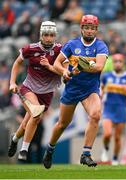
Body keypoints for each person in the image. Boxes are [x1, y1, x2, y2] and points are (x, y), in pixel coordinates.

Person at [42, 14, 109, 169]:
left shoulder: (100, 46)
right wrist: (64, 72)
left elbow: (99, 66)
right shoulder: (72, 44)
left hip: (90, 90)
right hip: (72, 89)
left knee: (96, 114)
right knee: (62, 124)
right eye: (87, 28)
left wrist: (83, 65)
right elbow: (58, 64)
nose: (90, 31)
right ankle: (50, 149)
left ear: (96, 30)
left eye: (93, 28)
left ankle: (86, 154)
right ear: (82, 29)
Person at [8, 21, 62, 161]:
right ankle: (24, 150)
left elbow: (63, 71)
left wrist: (49, 66)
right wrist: (12, 82)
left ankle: (15, 139)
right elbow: (17, 63)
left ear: (55, 36)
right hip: (29, 89)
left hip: (47, 93)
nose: (48, 38)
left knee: (27, 123)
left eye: (51, 35)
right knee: (36, 114)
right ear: (41, 35)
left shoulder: (60, 50)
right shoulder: (30, 49)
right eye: (46, 35)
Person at [100, 53, 126, 165]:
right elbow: (101, 90)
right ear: (113, 63)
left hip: (121, 109)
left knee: (117, 137)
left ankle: (115, 158)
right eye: (115, 61)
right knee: (107, 134)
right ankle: (106, 149)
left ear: (123, 63)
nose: (117, 63)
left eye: (120, 61)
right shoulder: (107, 76)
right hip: (108, 108)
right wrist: (101, 95)